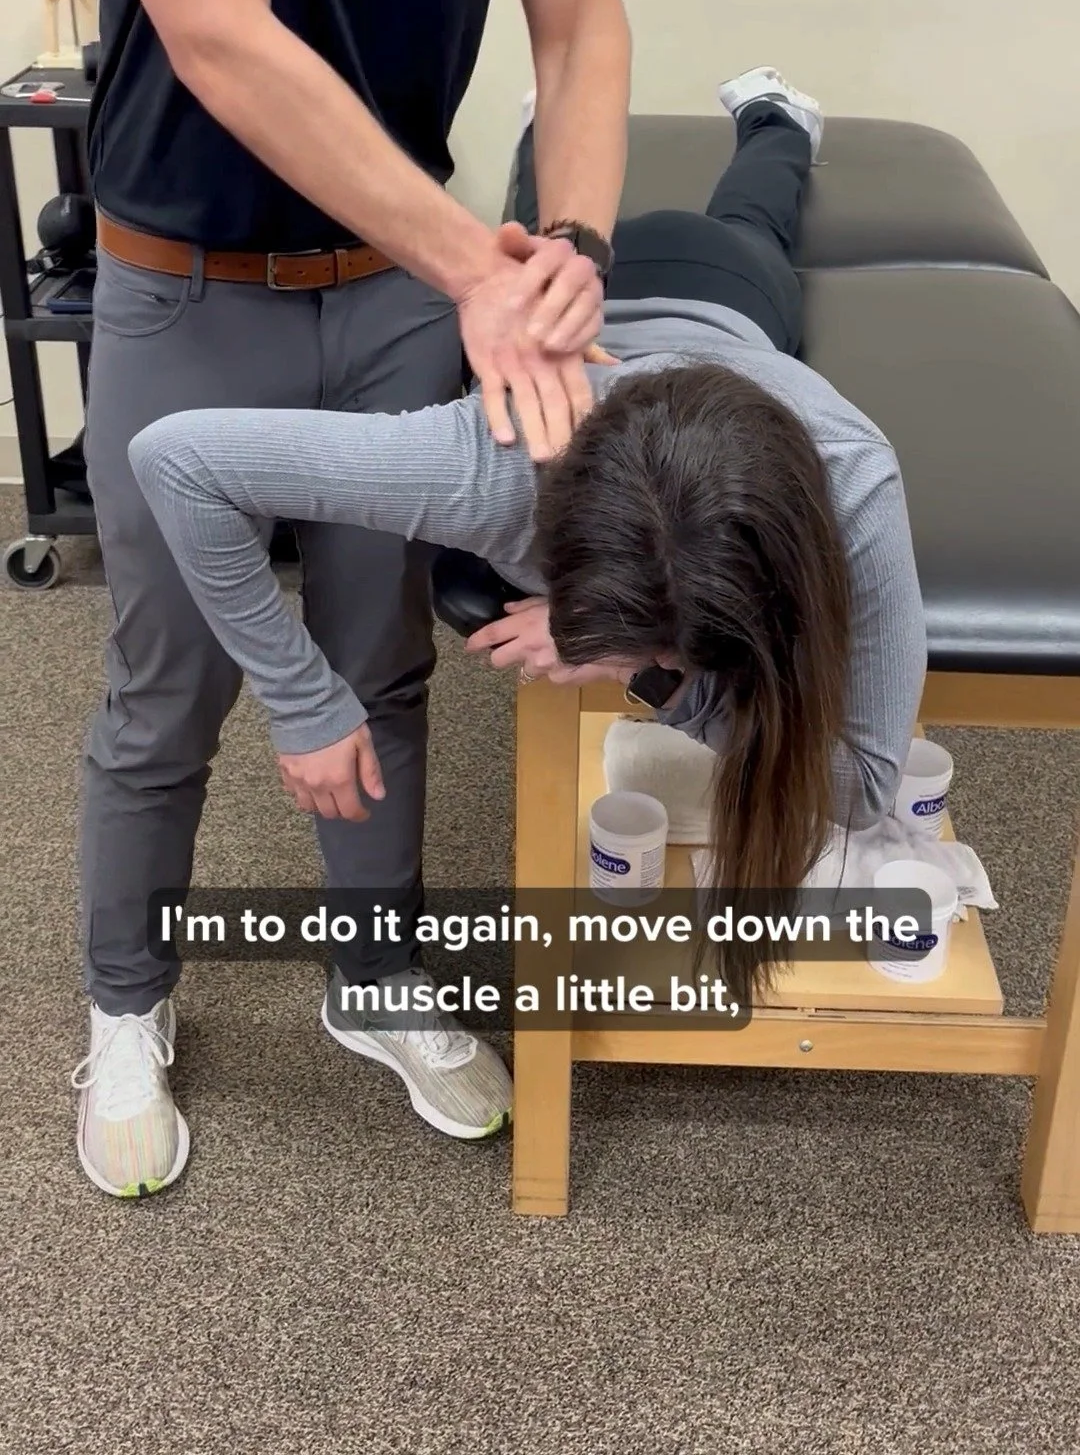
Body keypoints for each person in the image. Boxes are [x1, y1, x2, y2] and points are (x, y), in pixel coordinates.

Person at [43, 0, 631, 1199]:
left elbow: (582, 24)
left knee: (380, 663)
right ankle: (128, 1005)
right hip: (191, 289)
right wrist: (481, 270)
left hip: (395, 297)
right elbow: (221, 32)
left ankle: (376, 980)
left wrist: (571, 249)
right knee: (171, 684)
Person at [127, 68, 928, 1142]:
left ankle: (776, 118)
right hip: (588, 313)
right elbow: (174, 462)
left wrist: (644, 669)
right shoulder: (486, 464)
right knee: (544, 228)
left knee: (751, 222)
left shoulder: (855, 491)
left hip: (731, 309)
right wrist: (302, 698)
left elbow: (864, 788)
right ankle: (548, 138)